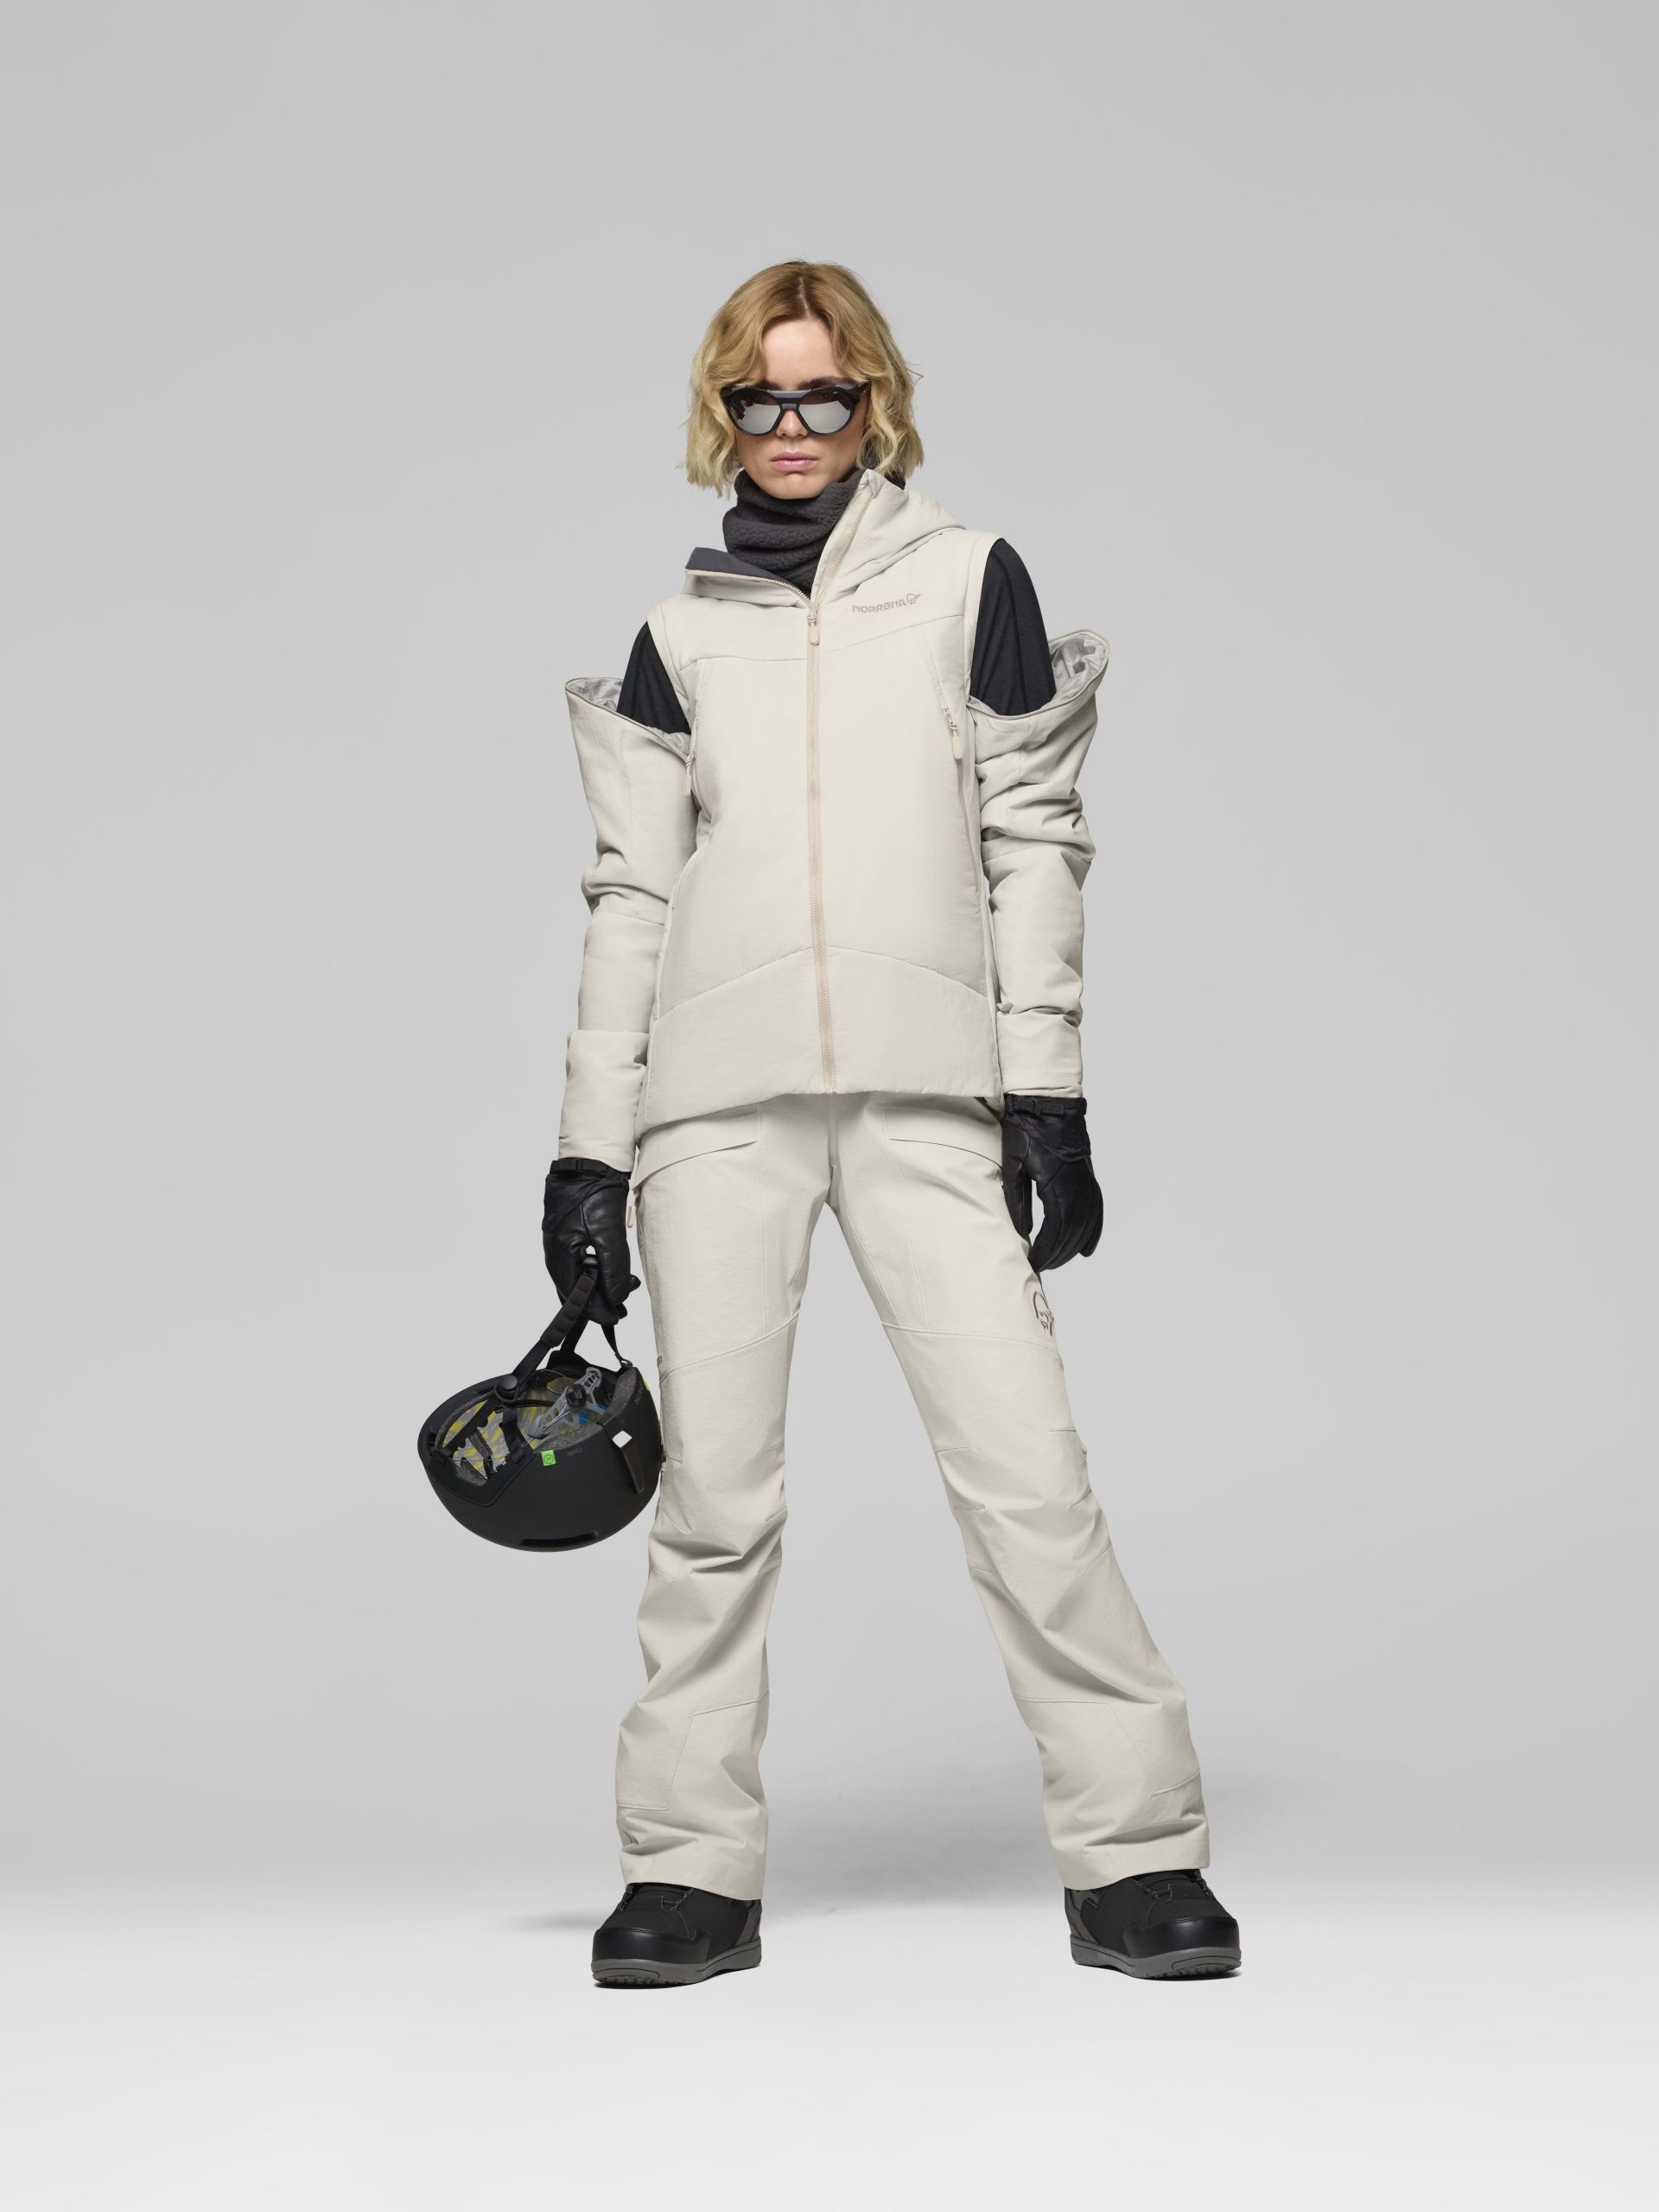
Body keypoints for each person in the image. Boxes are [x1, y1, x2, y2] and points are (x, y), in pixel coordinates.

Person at [542, 260, 1240, 1989]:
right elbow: (633, 896)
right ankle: (687, 1873)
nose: (792, 428)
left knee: (1030, 1480)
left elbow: (1034, 839)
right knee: (713, 1504)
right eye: (760, 398)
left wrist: (1047, 1095)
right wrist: (587, 1150)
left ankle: (1136, 1852)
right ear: (723, 410)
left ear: (878, 404)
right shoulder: (679, 633)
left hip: (929, 1093)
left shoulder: (968, 580)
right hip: (715, 1110)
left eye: (825, 395)